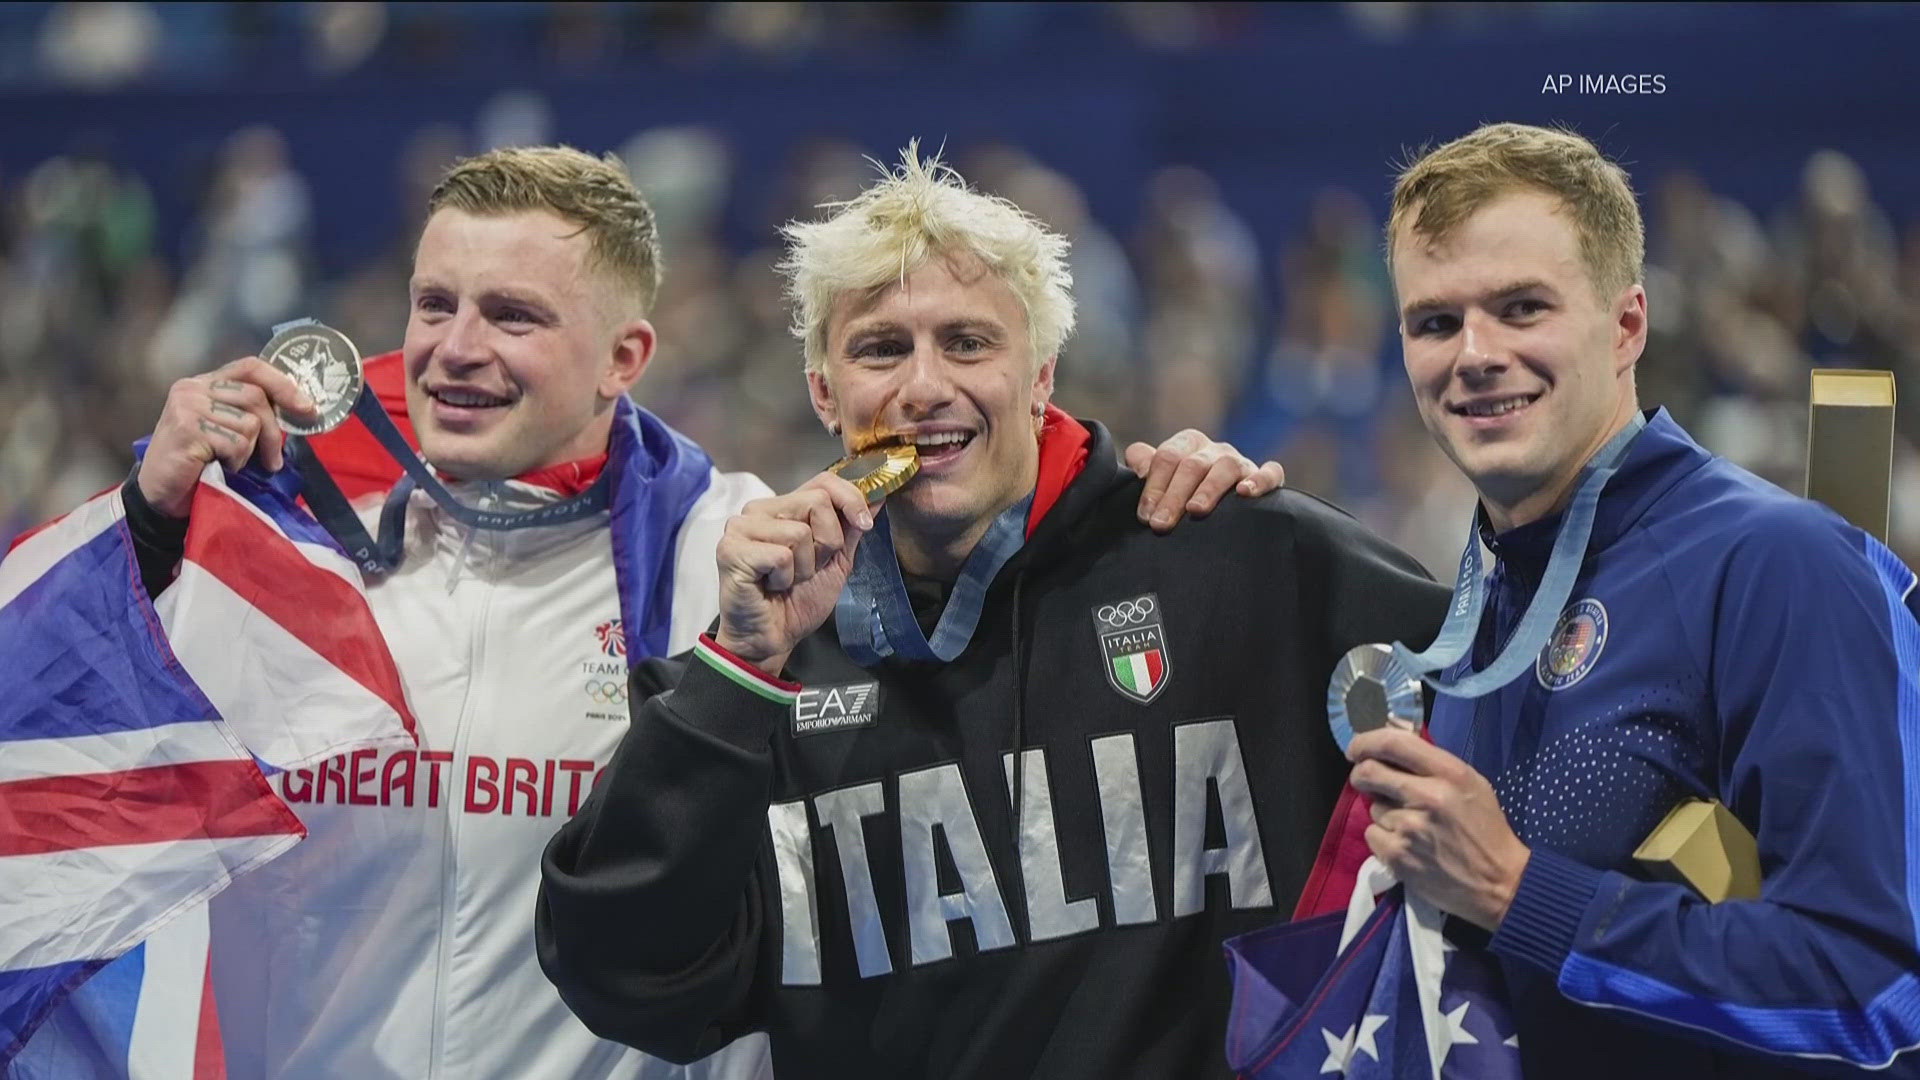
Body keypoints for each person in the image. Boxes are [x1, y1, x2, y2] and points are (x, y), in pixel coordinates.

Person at [27, 145, 1282, 1079]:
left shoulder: (733, 560)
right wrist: (144, 521)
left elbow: (992, 545)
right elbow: (52, 741)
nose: (455, 351)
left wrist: (1148, 493)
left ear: (626, 357)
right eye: (433, 305)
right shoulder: (276, 549)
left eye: (514, 315)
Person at [535, 145, 1449, 1078]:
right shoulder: (757, 666)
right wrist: (738, 675)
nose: (926, 387)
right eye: (881, 349)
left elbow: (1490, 690)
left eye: (968, 343)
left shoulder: (1222, 549)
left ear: (1041, 375)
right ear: (824, 392)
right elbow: (625, 980)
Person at [1340, 122, 1920, 1075]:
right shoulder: (1474, 610)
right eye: (1435, 322)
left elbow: (1879, 992)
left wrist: (1522, 891)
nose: (1474, 353)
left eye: (1522, 307)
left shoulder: (1783, 564)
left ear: (1627, 326)